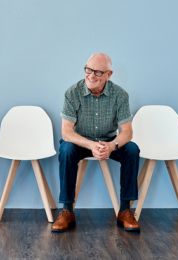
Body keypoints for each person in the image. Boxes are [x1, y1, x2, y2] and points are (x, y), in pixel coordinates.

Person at [51, 53, 141, 233]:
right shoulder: (72, 93)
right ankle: (67, 210)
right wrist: (91, 145)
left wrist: (112, 146)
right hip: (80, 142)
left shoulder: (120, 95)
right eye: (88, 70)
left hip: (108, 141)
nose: (91, 76)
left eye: (98, 72)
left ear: (109, 74)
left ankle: (125, 210)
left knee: (132, 149)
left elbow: (127, 132)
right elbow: (67, 132)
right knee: (66, 149)